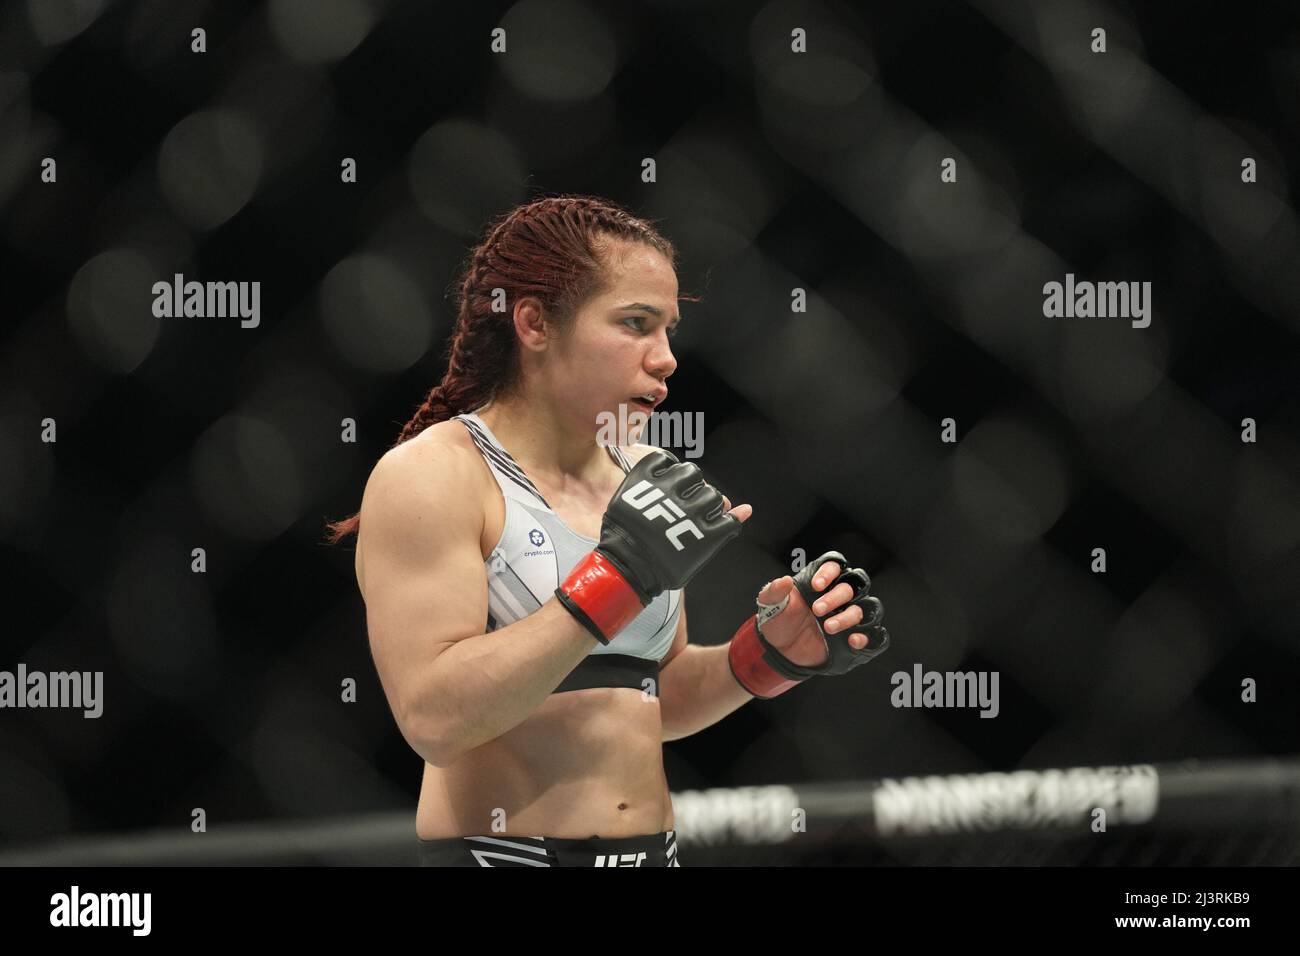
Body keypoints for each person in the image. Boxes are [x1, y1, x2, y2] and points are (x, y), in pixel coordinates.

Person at [324, 195, 890, 866]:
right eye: (636, 324)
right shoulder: (435, 476)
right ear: (534, 323)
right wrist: (615, 578)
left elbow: (654, 696)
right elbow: (435, 719)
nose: (667, 358)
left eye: (669, 329)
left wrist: (768, 654)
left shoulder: (646, 472)